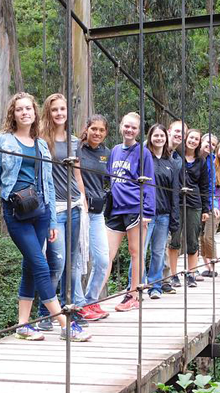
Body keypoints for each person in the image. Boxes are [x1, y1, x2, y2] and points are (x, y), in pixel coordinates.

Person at [0, 92, 90, 342]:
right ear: (13, 113)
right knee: (41, 264)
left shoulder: (41, 144)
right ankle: (65, 323)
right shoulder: (2, 140)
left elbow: (50, 185)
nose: (24, 113)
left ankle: (22, 324)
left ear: (35, 113)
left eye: (28, 109)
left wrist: (53, 220)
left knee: (30, 267)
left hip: (42, 212)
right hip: (16, 212)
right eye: (19, 109)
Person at [37, 93, 100, 330]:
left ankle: (68, 309)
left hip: (74, 205)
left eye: (63, 109)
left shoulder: (74, 142)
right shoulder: (41, 140)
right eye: (55, 110)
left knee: (72, 263)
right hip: (54, 209)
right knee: (57, 262)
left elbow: (77, 173)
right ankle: (45, 313)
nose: (59, 113)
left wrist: (83, 199)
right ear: (48, 112)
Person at [104, 112, 156, 312]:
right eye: (127, 126)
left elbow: (149, 182)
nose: (129, 130)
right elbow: (109, 177)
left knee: (136, 252)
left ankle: (133, 295)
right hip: (116, 209)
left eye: (134, 127)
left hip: (135, 208)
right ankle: (92, 298)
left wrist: (148, 212)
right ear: (121, 126)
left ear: (138, 131)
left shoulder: (143, 152)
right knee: (106, 255)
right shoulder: (115, 150)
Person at [127, 124, 180, 298]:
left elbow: (175, 193)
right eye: (155, 135)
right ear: (150, 137)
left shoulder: (170, 162)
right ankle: (135, 287)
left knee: (158, 252)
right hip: (145, 215)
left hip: (164, 214)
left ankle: (155, 286)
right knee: (139, 251)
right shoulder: (143, 158)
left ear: (166, 138)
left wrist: (175, 218)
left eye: (162, 136)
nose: (159, 138)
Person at [76, 115, 111, 320]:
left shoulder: (106, 153)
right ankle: (80, 304)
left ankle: (91, 300)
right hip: (80, 211)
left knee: (103, 260)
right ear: (86, 128)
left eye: (101, 130)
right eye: (94, 129)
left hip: (97, 212)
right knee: (79, 260)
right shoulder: (77, 149)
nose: (97, 133)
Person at [173, 128, 210, 287]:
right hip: (176, 202)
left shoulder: (201, 161)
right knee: (174, 239)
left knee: (192, 240)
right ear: (186, 138)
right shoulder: (175, 155)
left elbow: (204, 185)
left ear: (199, 142)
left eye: (197, 139)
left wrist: (206, 209)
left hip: (194, 203)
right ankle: (174, 276)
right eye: (191, 138)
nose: (193, 141)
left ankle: (191, 274)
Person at [166, 120, 186, 288]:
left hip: (168, 207)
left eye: (182, 133)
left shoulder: (178, 159)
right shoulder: (150, 148)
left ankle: (162, 281)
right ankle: (136, 288)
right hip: (150, 207)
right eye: (177, 131)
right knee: (140, 249)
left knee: (161, 247)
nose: (179, 135)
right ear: (169, 130)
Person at [198, 133, 220, 277]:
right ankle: (207, 268)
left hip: (207, 202)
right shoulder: (191, 156)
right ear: (202, 141)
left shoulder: (212, 161)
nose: (210, 146)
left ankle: (212, 267)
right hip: (193, 201)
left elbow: (211, 185)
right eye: (208, 142)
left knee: (207, 236)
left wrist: (214, 204)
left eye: (213, 145)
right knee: (200, 237)